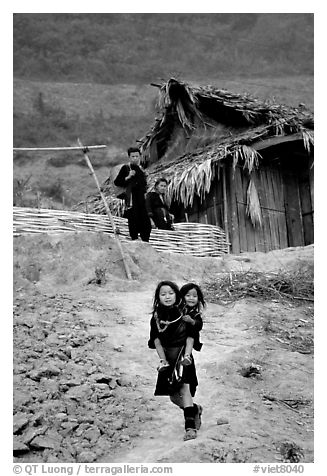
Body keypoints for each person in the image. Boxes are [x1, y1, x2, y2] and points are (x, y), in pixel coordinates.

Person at [148, 280, 203, 441]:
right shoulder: (156, 317)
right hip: (168, 358)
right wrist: (162, 359)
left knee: (185, 390)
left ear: (176, 295)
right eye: (163, 294)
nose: (167, 297)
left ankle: (190, 428)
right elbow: (155, 339)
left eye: (171, 293)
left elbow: (195, 329)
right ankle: (194, 409)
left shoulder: (184, 312)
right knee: (173, 396)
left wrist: (191, 323)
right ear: (158, 297)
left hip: (182, 356)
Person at [114, 147, 151, 242]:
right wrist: (128, 176)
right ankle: (134, 239)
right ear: (129, 157)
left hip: (141, 197)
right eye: (133, 156)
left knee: (146, 221)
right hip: (132, 197)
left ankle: (145, 240)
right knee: (133, 218)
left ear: (140, 156)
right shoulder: (126, 168)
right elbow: (117, 182)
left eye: (137, 156)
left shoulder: (141, 169)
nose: (135, 158)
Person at [179, 283, 205, 367]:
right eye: (188, 295)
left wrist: (192, 321)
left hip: (189, 336)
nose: (191, 298)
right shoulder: (178, 309)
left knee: (190, 338)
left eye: (194, 296)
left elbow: (199, 325)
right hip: (177, 336)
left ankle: (187, 356)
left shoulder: (195, 314)